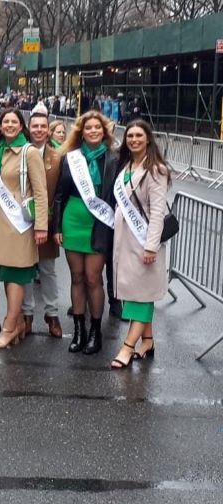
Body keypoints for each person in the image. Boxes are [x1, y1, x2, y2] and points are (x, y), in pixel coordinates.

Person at [53, 111, 118, 354]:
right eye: (88, 128)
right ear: (81, 132)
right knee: (77, 277)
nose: (93, 131)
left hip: (100, 221)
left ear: (104, 131)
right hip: (73, 219)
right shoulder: (71, 158)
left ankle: (95, 332)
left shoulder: (114, 158)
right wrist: (56, 227)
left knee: (93, 277)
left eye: (97, 128)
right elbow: (59, 194)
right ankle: (79, 331)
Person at [0, 108, 48, 348]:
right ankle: (19, 321)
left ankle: (8, 327)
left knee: (15, 276)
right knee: (6, 275)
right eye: (5, 122)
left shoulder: (29, 152)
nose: (9, 125)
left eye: (14, 122)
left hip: (19, 225)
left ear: (22, 126)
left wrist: (41, 226)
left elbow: (40, 191)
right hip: (0, 224)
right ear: (0, 126)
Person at [109, 120, 170, 368]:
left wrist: (151, 246)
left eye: (138, 135)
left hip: (143, 240)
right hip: (125, 239)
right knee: (135, 290)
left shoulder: (156, 170)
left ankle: (127, 347)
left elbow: (157, 213)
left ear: (148, 139)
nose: (134, 139)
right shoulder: (127, 165)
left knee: (141, 296)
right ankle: (147, 341)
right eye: (130, 136)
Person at [21, 112, 63, 338]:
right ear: (29, 128)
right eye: (34, 125)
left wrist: (55, 226)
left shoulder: (58, 157)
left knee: (48, 270)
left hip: (46, 221)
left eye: (42, 126)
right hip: (22, 220)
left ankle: (52, 314)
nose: (38, 129)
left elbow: (60, 194)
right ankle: (26, 314)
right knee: (26, 268)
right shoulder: (20, 153)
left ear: (48, 130)